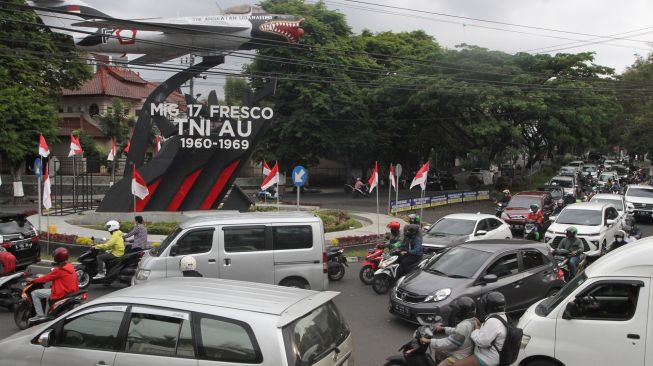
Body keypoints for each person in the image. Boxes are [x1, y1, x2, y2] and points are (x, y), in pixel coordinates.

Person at [453, 292, 508, 366]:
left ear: (488, 307)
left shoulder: (493, 321)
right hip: (498, 353)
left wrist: (476, 330)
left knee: (456, 364)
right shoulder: (503, 316)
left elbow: (481, 342)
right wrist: (482, 326)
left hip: (488, 358)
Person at [419, 297, 477, 365]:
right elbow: (457, 331)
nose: (455, 313)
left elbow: (449, 343)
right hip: (463, 349)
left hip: (460, 356)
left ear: (462, 312)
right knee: (439, 352)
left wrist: (429, 341)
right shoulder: (472, 321)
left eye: (457, 311)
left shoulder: (464, 326)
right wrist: (444, 329)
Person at [28, 248, 79, 322]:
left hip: (61, 292)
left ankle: (40, 315)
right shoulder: (69, 266)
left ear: (57, 258)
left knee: (35, 293)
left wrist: (32, 280)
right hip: (71, 291)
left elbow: (45, 278)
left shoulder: (59, 271)